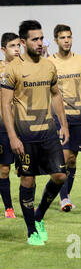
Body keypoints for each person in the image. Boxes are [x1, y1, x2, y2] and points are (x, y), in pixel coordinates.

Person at [1, 20, 69, 245]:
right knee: (27, 181)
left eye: (42, 39)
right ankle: (31, 231)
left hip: (48, 133)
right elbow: (5, 103)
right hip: (25, 135)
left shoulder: (49, 65)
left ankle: (38, 215)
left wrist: (64, 124)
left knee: (60, 175)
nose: (40, 43)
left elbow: (56, 94)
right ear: (23, 42)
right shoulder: (12, 68)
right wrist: (12, 136)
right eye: (35, 39)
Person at [47, 24, 81, 212]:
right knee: (64, 155)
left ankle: (65, 194)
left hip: (78, 116)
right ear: (56, 40)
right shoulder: (49, 62)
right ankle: (64, 198)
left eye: (69, 37)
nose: (66, 40)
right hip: (59, 117)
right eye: (62, 38)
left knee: (73, 160)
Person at [0, 32, 21, 218]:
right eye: (13, 46)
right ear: (3, 49)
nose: (17, 49)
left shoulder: (25, 67)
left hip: (24, 126)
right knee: (4, 168)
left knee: (26, 171)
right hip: (3, 127)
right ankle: (9, 208)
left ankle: (28, 207)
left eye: (18, 46)